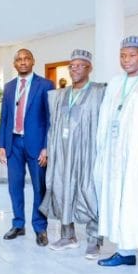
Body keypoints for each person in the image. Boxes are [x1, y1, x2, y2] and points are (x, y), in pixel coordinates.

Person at [95, 36, 138, 274]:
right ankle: (125, 252)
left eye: (132, 55)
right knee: (119, 202)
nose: (126, 60)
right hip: (115, 155)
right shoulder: (116, 82)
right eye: (122, 55)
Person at [40, 49, 105, 259]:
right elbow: (52, 125)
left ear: (89, 68)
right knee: (61, 189)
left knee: (89, 191)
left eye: (80, 65)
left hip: (87, 152)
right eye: (72, 66)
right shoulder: (60, 95)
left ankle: (94, 240)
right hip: (62, 151)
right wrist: (49, 148)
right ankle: (68, 235)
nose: (74, 69)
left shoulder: (99, 91)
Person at [0, 49, 53, 246]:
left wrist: (47, 147)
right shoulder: (9, 87)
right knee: (15, 187)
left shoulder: (45, 85)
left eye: (26, 58)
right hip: (13, 143)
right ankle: (18, 224)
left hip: (37, 146)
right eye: (19, 59)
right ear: (15, 64)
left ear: (33, 61)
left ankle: (40, 228)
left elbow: (50, 119)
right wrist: (1, 145)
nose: (23, 62)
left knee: (40, 187)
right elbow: (4, 117)